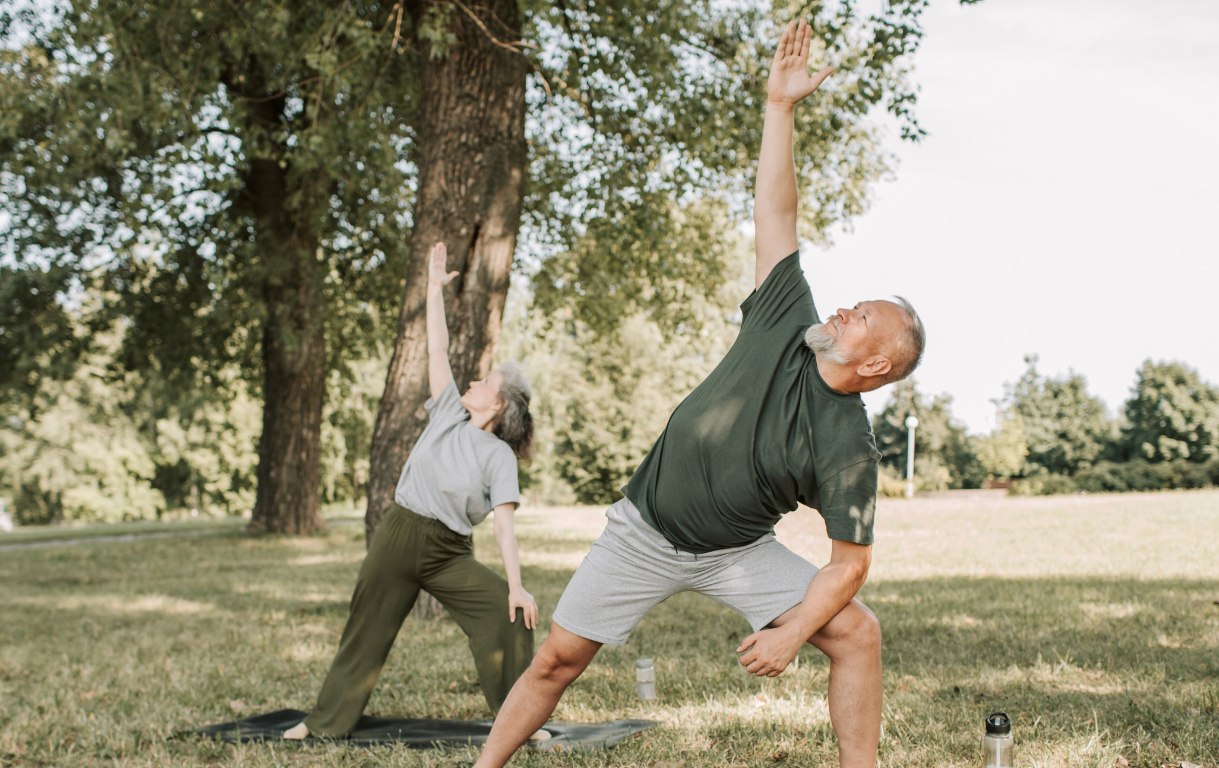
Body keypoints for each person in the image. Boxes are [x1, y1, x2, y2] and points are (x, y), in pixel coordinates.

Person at [472, 19, 925, 768]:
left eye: (862, 318)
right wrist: (779, 109)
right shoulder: (788, 316)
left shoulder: (848, 443)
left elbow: (848, 565)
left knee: (858, 633)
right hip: (644, 530)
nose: (845, 309)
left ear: (876, 366)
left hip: (735, 551)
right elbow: (776, 214)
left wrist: (789, 631)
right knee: (557, 659)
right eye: (853, 303)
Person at [283, 241, 540, 739]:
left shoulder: (499, 457)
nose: (474, 378)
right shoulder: (447, 411)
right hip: (399, 536)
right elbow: (437, 347)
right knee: (366, 629)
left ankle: (520, 725)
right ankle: (323, 724)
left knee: (508, 615)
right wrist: (433, 289)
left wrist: (515, 585)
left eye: (485, 379)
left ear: (500, 405)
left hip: (448, 552)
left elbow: (505, 528)